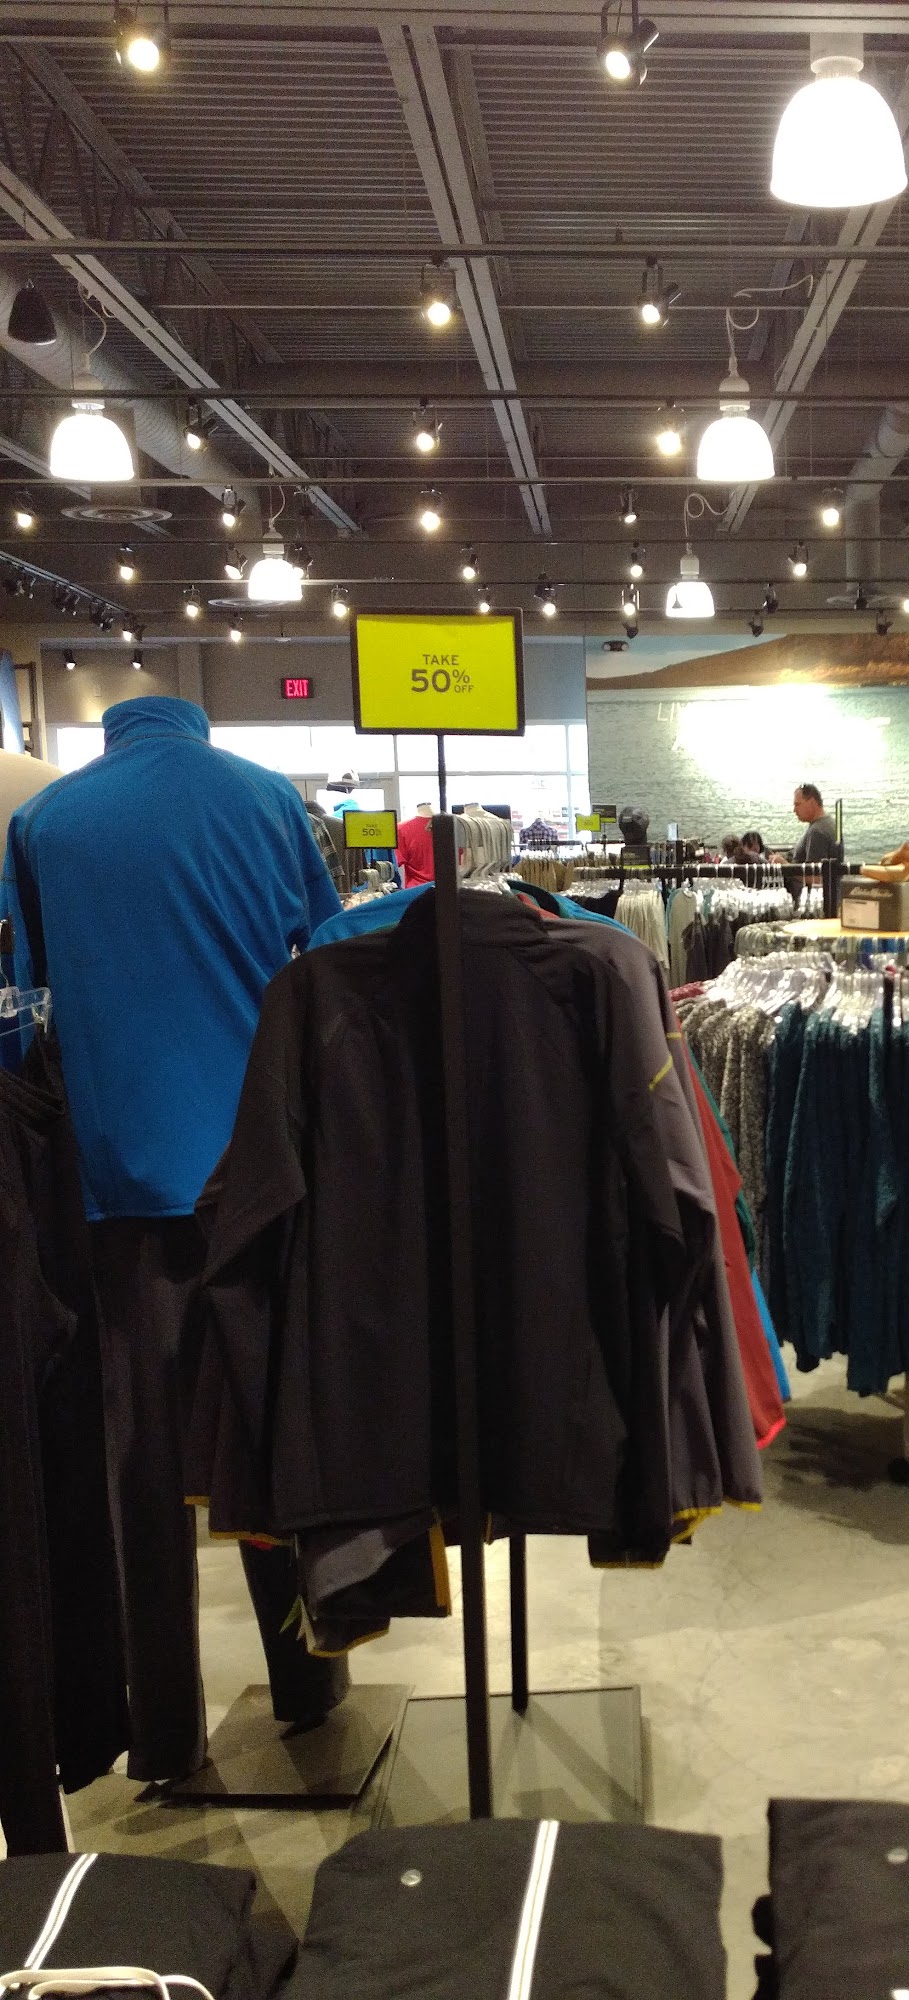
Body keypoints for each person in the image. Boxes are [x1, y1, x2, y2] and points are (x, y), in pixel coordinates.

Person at [3, 694, 349, 1781]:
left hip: (121, 1188)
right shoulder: (268, 801)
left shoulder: (45, 823)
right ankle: (309, 1683)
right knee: (276, 1432)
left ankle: (163, 1731)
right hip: (259, 1175)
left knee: (143, 1470)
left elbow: (26, 997)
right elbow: (325, 955)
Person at [791, 783, 841, 862]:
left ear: (811, 803)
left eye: (797, 805)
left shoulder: (817, 832)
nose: (794, 810)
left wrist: (783, 863)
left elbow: (813, 869)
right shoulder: (828, 822)